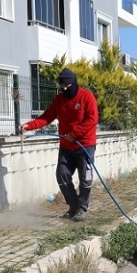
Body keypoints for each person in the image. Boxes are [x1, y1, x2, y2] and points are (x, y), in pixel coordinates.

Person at [20, 68, 99, 222]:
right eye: (62, 86)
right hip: (66, 147)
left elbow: (92, 120)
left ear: (74, 82)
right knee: (62, 175)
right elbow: (47, 117)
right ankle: (74, 206)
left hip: (84, 145)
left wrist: (74, 134)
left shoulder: (87, 97)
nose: (64, 89)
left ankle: (82, 208)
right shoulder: (59, 100)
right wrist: (29, 126)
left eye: (67, 86)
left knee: (85, 179)